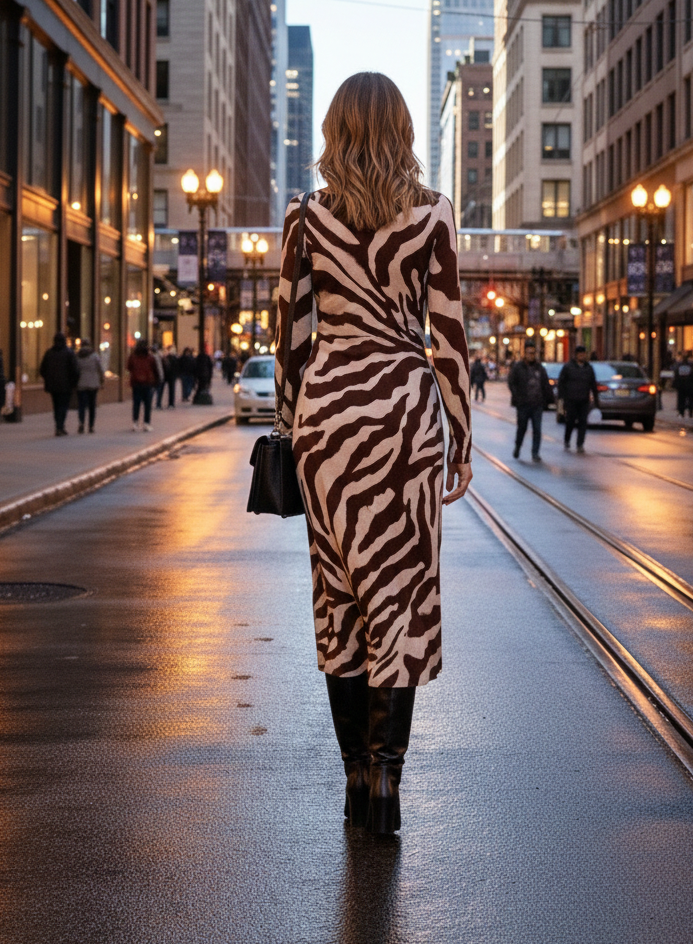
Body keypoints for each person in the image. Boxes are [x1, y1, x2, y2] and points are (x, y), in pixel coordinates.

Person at [274, 73, 472, 836]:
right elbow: (448, 335)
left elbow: (290, 339)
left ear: (334, 131)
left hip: (329, 418)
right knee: (402, 599)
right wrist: (456, 438)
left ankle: (354, 775)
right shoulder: (433, 215)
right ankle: (389, 779)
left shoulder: (306, 217)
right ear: (401, 131)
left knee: (340, 597)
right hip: (403, 413)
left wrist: (293, 428)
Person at [507, 340, 553, 461]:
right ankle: (517, 446)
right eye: (529, 353)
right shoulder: (518, 367)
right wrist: (516, 396)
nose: (531, 355)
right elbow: (511, 382)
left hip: (537, 404)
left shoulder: (540, 368)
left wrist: (548, 400)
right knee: (522, 428)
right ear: (524, 353)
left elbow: (545, 384)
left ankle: (535, 453)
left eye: (533, 353)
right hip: (523, 404)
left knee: (537, 429)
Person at [558, 345, 600, 453]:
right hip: (571, 399)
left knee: (583, 423)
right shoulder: (568, 367)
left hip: (583, 400)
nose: (582, 356)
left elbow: (593, 384)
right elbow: (561, 383)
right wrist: (562, 398)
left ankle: (580, 444)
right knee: (570, 421)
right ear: (576, 355)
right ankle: (567, 439)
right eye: (580, 354)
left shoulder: (588, 368)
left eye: (583, 354)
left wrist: (596, 399)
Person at [39, 332, 79, 436]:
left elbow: (42, 369)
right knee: (63, 405)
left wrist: (48, 378)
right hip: (66, 385)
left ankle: (58, 426)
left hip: (53, 385)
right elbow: (75, 369)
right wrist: (73, 382)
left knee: (56, 405)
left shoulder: (49, 353)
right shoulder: (69, 353)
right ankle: (60, 426)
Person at [127, 338, 157, 431]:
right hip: (147, 383)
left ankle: (135, 423)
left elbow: (129, 367)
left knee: (136, 404)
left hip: (136, 383)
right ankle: (146, 423)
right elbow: (154, 369)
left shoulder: (133, 357)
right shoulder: (150, 358)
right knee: (147, 405)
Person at [75, 338, 104, 433]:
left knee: (81, 405)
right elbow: (100, 369)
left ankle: (81, 423)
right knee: (92, 405)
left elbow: (75, 370)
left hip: (81, 384)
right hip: (93, 384)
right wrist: (102, 381)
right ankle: (91, 426)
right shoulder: (95, 356)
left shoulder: (77, 356)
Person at [673, 351, 693, 418]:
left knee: (681, 400)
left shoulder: (679, 366)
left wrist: (676, 384)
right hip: (689, 386)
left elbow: (676, 375)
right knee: (690, 399)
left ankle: (682, 412)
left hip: (681, 386)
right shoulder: (691, 366)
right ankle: (690, 412)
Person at [152, 343, 166, 409]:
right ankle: (158, 404)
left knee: (152, 391)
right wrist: (161, 376)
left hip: (153, 377)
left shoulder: (151, 356)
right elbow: (159, 367)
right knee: (158, 391)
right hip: (157, 376)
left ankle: (150, 403)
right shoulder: (158, 357)